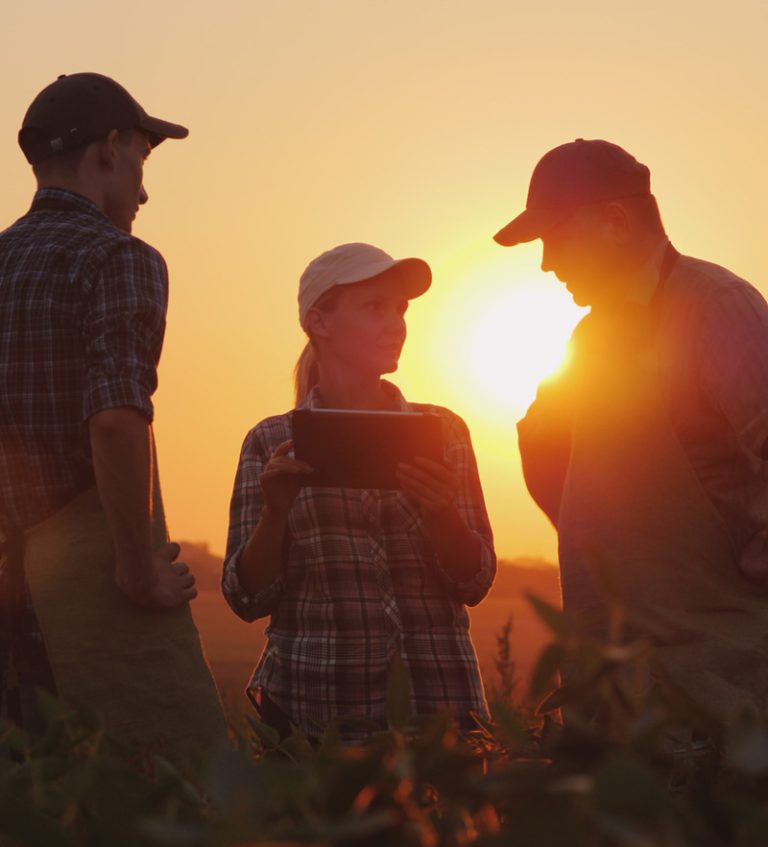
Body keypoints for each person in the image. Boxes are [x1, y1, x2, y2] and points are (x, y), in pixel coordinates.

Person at [494, 138, 768, 718]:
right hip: (608, 688)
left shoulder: (717, 307)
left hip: (720, 684)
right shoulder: (589, 339)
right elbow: (543, 448)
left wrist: (744, 580)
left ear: (616, 223)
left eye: (554, 237)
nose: (546, 263)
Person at [0, 73, 224, 753]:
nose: (144, 191)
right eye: (140, 161)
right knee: (132, 791)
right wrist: (137, 568)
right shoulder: (119, 257)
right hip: (80, 607)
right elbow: (116, 418)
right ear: (108, 148)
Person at [223, 243, 496, 742]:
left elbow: (474, 581)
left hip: (440, 716)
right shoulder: (270, 442)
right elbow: (246, 597)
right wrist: (275, 514)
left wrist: (441, 513)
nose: (397, 324)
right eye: (375, 307)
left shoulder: (445, 432)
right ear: (319, 322)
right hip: (313, 720)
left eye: (401, 309)